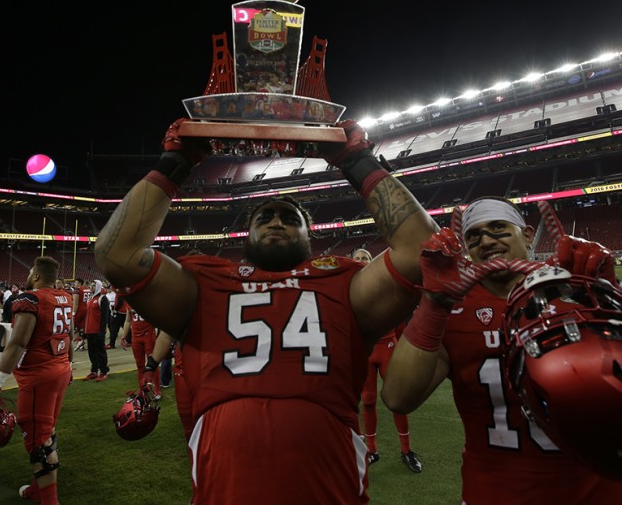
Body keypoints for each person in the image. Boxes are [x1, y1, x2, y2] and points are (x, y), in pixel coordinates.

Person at [94, 117, 438, 504]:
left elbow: (421, 251)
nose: (277, 221)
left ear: (311, 238)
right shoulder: (205, 281)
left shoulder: (344, 280)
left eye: (290, 219)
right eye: (266, 217)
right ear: (248, 234)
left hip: (328, 479)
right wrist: (176, 163)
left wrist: (357, 162)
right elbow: (115, 255)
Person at [381, 197, 622, 504]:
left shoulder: (580, 292)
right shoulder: (453, 311)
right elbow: (398, 397)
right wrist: (433, 305)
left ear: (527, 233)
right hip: (495, 493)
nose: (486, 240)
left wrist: (609, 295)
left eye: (498, 228)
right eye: (474, 236)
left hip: (598, 492)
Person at [0, 256, 73, 504]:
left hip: (39, 377)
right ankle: (38, 488)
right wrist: (70, 365)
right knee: (47, 431)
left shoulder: (30, 299)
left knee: (37, 439)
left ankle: (49, 500)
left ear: (35, 276)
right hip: (60, 368)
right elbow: (70, 332)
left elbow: (18, 342)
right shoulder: (64, 297)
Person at [351, 248, 422, 473]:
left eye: (365, 258)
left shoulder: (386, 286)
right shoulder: (346, 290)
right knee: (368, 400)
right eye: (358, 258)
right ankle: (372, 450)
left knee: (396, 400)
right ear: (351, 262)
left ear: (373, 262)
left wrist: (401, 347)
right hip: (364, 351)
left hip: (388, 346)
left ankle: (406, 450)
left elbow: (399, 320)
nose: (362, 261)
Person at [120, 302, 161, 399]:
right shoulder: (129, 302)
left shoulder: (146, 300)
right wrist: (123, 337)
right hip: (136, 337)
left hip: (148, 335)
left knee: (153, 363)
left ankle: (157, 390)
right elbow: (128, 320)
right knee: (140, 365)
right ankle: (142, 388)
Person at [81, 279, 110, 381]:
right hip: (89, 330)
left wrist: (102, 331)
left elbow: (105, 317)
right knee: (91, 352)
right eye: (90, 285)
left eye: (93, 285)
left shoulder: (103, 299)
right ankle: (94, 371)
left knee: (100, 352)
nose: (91, 287)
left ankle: (103, 371)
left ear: (98, 286)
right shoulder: (90, 299)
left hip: (98, 331)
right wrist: (85, 330)